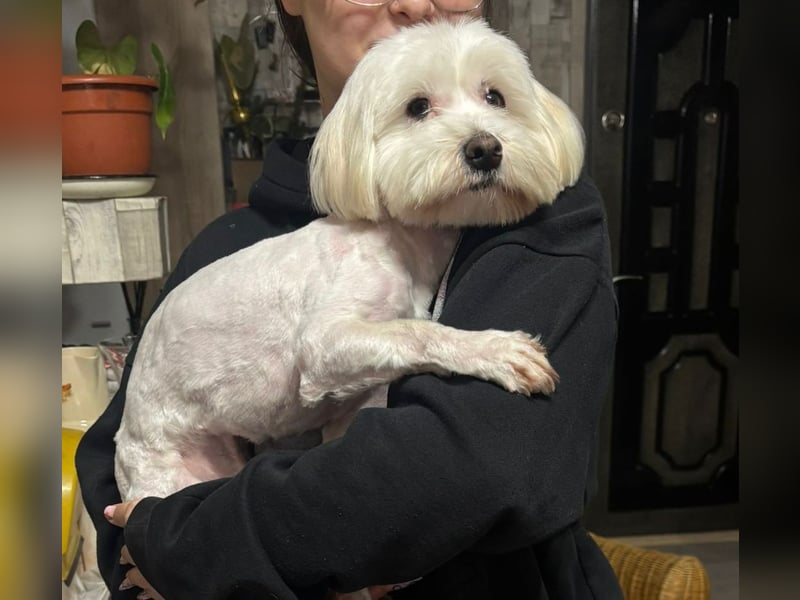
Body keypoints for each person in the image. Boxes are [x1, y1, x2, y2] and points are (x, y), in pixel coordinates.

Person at [76, 1, 623, 598]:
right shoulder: (227, 245)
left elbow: (476, 472)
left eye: (493, 97)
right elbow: (114, 484)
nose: (415, 2)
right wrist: (166, 546)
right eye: (418, 107)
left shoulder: (546, 228)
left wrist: (195, 547)